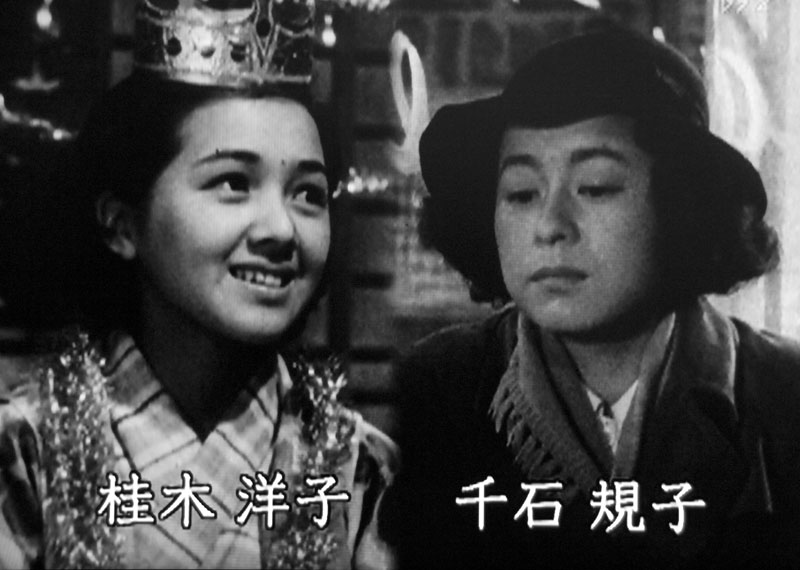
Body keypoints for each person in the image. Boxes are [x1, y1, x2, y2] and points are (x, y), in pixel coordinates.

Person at [381, 28, 800, 570]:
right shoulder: (438, 390)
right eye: (522, 193)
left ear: (682, 207)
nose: (550, 226)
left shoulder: (782, 397)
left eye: (596, 187)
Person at [0, 1, 397, 568]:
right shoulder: (26, 451)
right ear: (122, 224)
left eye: (308, 193)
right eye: (233, 183)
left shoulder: (363, 470)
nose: (282, 230)